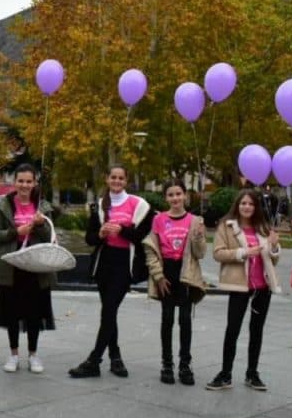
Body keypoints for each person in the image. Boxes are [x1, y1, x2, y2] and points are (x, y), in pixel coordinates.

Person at [70, 164, 154, 379]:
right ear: (107, 180)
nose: (116, 181)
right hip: (104, 264)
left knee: (109, 310)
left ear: (126, 181)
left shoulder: (140, 205)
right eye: (113, 177)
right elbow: (89, 239)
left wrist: (122, 230)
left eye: (121, 178)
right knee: (109, 312)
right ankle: (115, 357)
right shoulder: (99, 206)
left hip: (125, 265)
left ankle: (94, 360)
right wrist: (100, 233)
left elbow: (143, 236)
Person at [206, 188, 281, 391]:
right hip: (239, 285)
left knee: (257, 330)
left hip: (262, 286)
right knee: (233, 329)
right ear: (237, 205)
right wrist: (244, 252)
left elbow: (274, 259)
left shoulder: (264, 227)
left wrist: (274, 247)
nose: (247, 207)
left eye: (251, 204)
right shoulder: (226, 226)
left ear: (256, 207)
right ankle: (225, 374)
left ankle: (252, 373)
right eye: (243, 203)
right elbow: (218, 253)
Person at [0, 163, 55, 374]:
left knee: (34, 312)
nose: (25, 185)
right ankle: (14, 354)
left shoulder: (42, 206)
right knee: (12, 312)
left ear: (34, 183)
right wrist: (15, 231)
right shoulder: (5, 205)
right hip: (12, 265)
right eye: (21, 181)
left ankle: (34, 355)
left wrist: (41, 224)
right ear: (15, 182)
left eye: (29, 181)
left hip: (36, 267)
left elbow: (50, 237)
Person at [142, 179, 206, 385]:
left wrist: (198, 237)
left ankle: (185, 365)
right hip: (166, 272)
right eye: (170, 194)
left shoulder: (195, 220)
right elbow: (151, 250)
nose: (175, 198)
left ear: (185, 195)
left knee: (185, 320)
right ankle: (167, 364)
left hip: (186, 272)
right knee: (167, 319)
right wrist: (158, 275)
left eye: (178, 194)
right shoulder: (159, 220)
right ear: (166, 198)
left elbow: (200, 253)